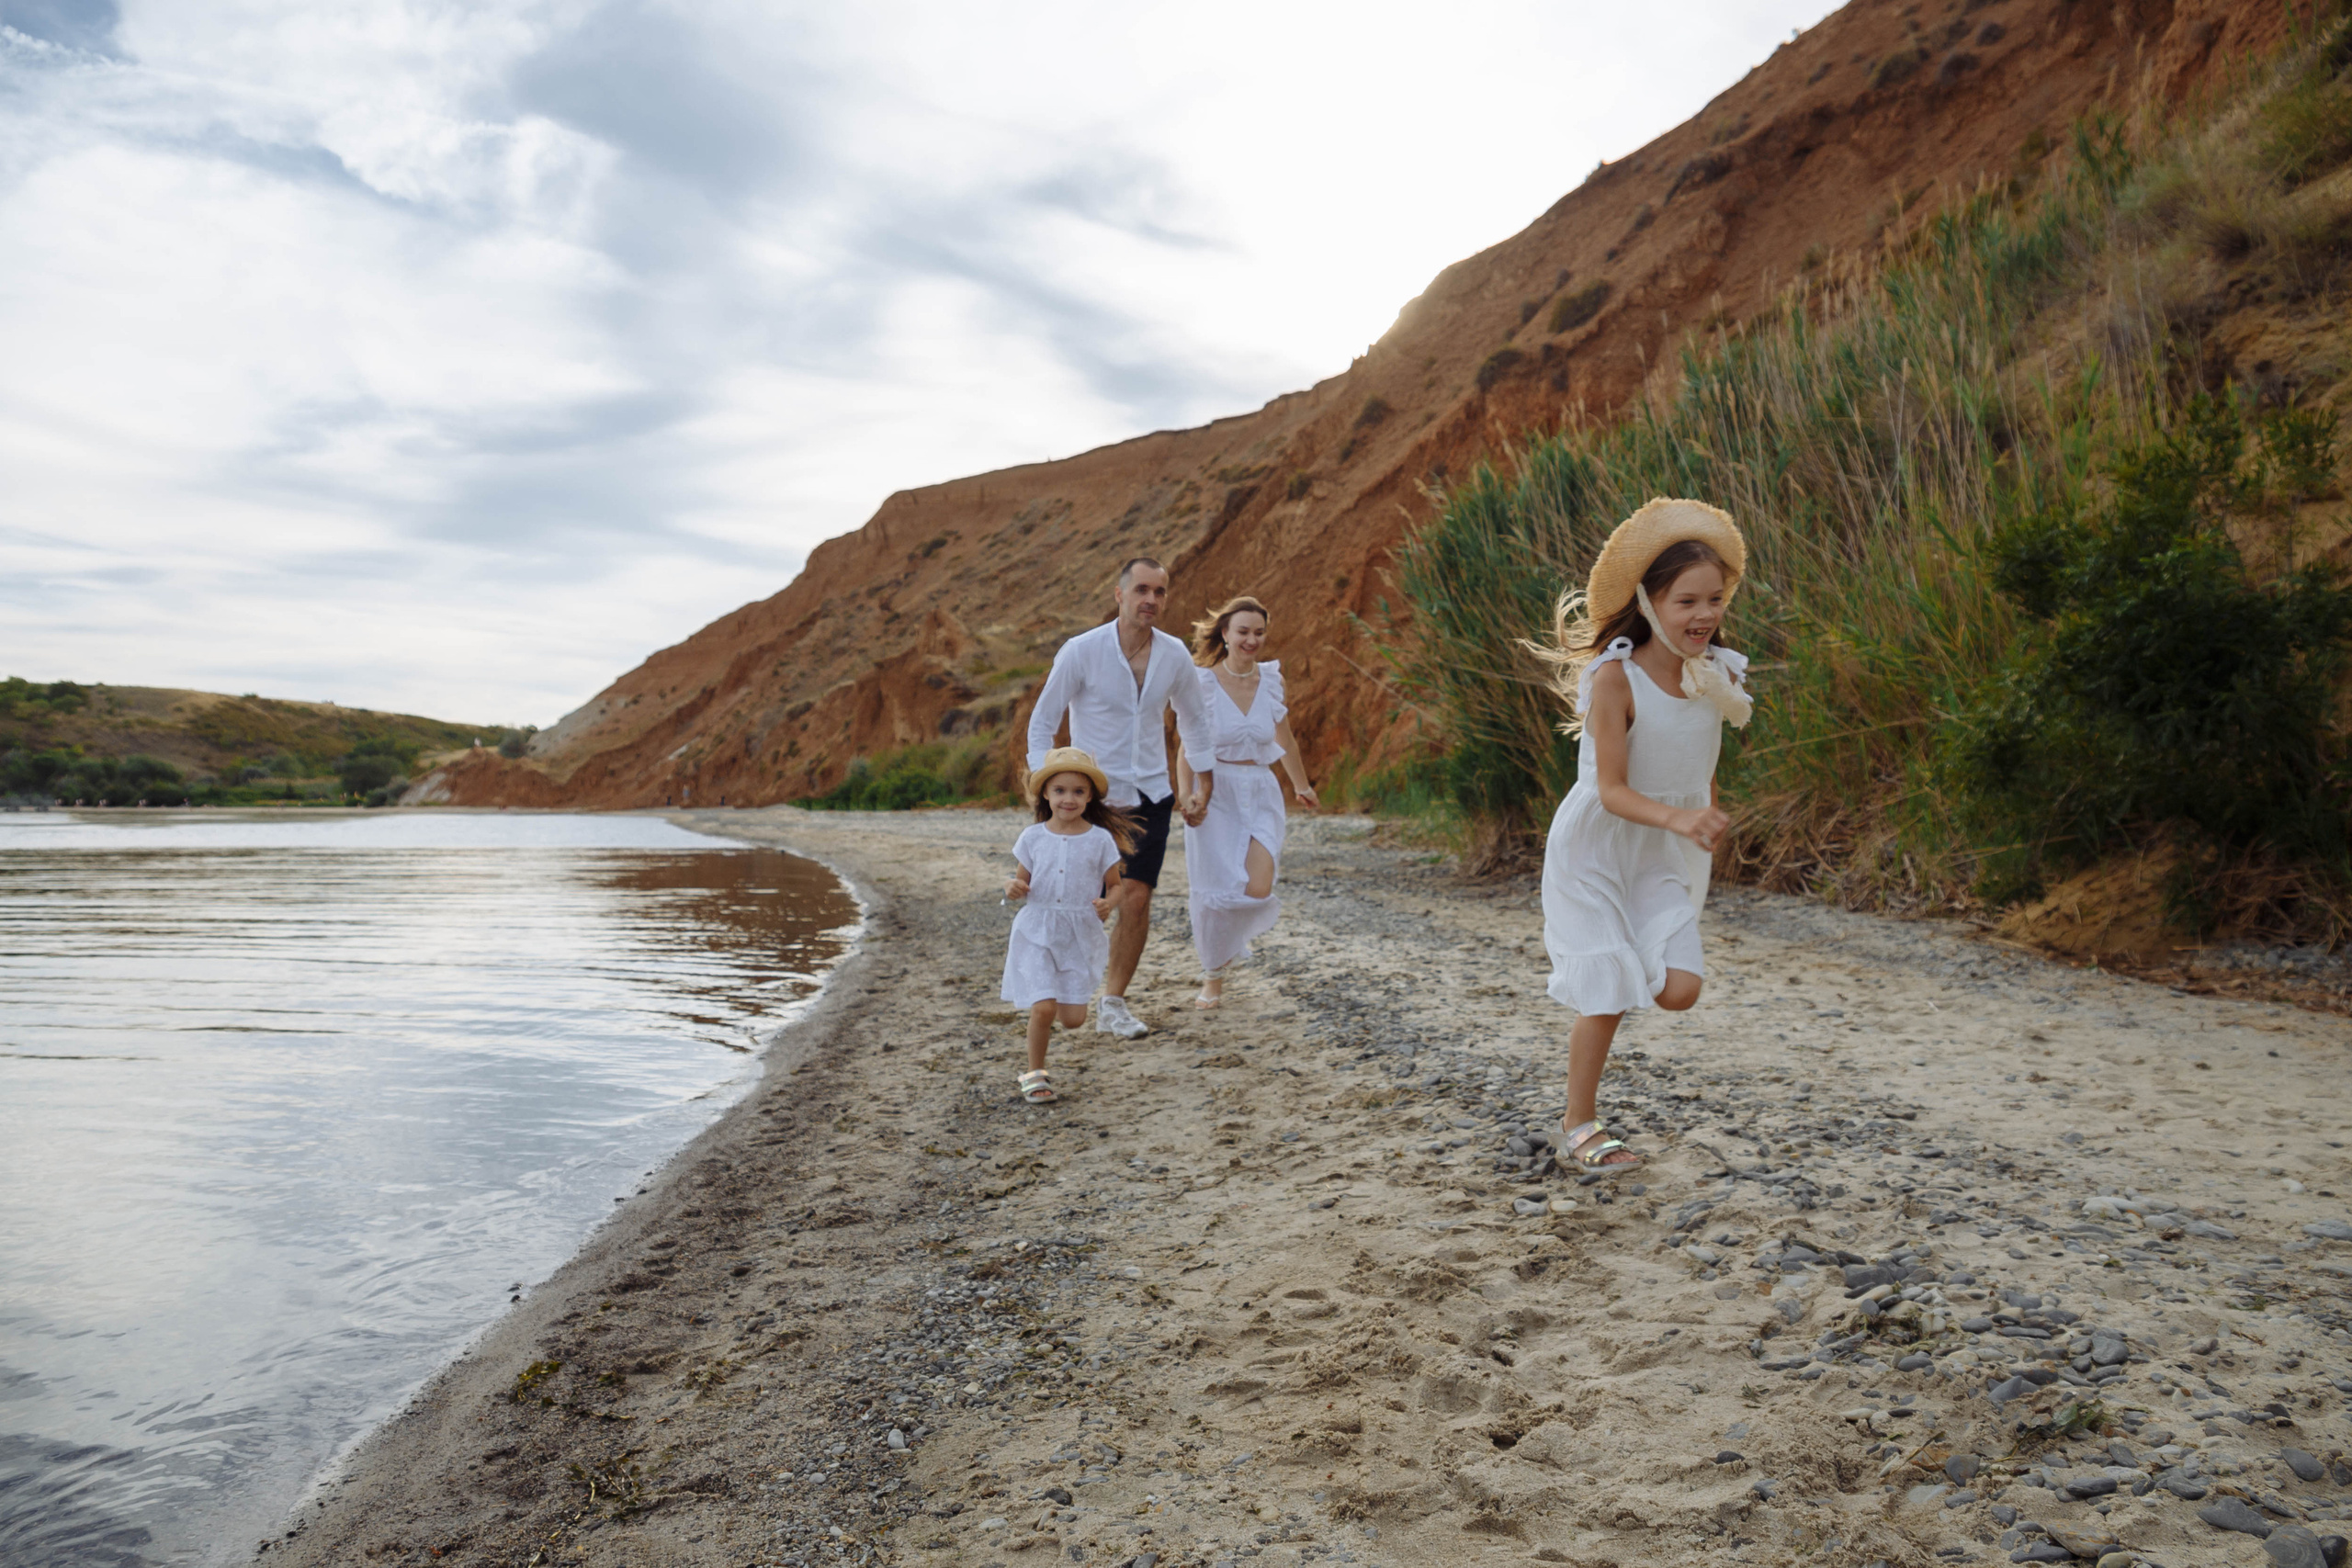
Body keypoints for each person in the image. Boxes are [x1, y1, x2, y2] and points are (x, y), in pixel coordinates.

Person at [1527, 498, 1754, 1176]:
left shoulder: (1717, 674)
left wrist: (1702, 812)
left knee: (1680, 987)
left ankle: (1626, 958)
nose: (1704, 614)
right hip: (1597, 845)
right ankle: (1581, 1126)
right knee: (1611, 984)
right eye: (1686, 600)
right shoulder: (1614, 679)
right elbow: (1612, 789)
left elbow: (1696, 761)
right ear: (1649, 603)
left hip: (1660, 849)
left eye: (1714, 599)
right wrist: (1681, 816)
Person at [1024, 557, 1218, 1038]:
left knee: (1135, 898)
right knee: (1077, 899)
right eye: (1142, 590)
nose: (1151, 600)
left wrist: (1201, 784)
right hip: (1092, 798)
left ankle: (1113, 1001)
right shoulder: (1081, 651)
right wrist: (1046, 784)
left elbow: (1194, 720)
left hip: (1151, 793)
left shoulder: (1174, 655)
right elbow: (1043, 722)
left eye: (1159, 592)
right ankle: (1064, 990)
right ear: (1120, 594)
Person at [1174, 596, 1317, 1008]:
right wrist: (1187, 795)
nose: (1251, 640)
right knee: (1214, 887)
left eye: (1258, 632)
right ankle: (1213, 975)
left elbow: (1283, 738)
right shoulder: (1201, 682)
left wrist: (1301, 785)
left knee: (1258, 885)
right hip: (1214, 789)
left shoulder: (1271, 680)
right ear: (1225, 633)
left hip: (1259, 787)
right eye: (1243, 631)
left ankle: (1227, 945)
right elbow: (1188, 746)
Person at [1001, 748, 1136, 1104]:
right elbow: (1019, 884)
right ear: (1045, 793)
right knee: (1043, 1008)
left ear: (1090, 796)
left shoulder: (1099, 840)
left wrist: (1109, 902)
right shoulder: (1032, 837)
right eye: (1060, 790)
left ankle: (1053, 994)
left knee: (1074, 1019)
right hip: (1037, 928)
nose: (1068, 798)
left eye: (1078, 791)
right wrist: (1012, 887)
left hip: (1079, 931)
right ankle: (1034, 1075)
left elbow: (1117, 885)